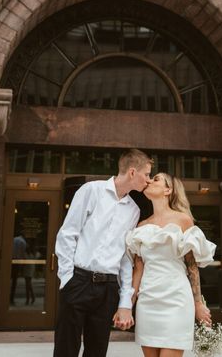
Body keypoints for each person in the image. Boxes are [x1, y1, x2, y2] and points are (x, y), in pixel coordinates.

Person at [54, 148, 153, 357]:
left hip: (108, 289)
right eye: (147, 174)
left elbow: (126, 260)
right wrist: (66, 278)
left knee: (97, 352)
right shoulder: (91, 191)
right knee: (65, 349)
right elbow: (67, 234)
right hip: (78, 281)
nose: (149, 180)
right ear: (133, 172)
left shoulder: (133, 210)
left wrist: (125, 301)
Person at [127, 172, 215, 357]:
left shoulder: (183, 220)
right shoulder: (141, 226)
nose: (150, 180)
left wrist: (198, 304)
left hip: (176, 300)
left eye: (156, 179)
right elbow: (138, 269)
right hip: (148, 301)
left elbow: (192, 266)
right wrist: (127, 305)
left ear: (168, 190)